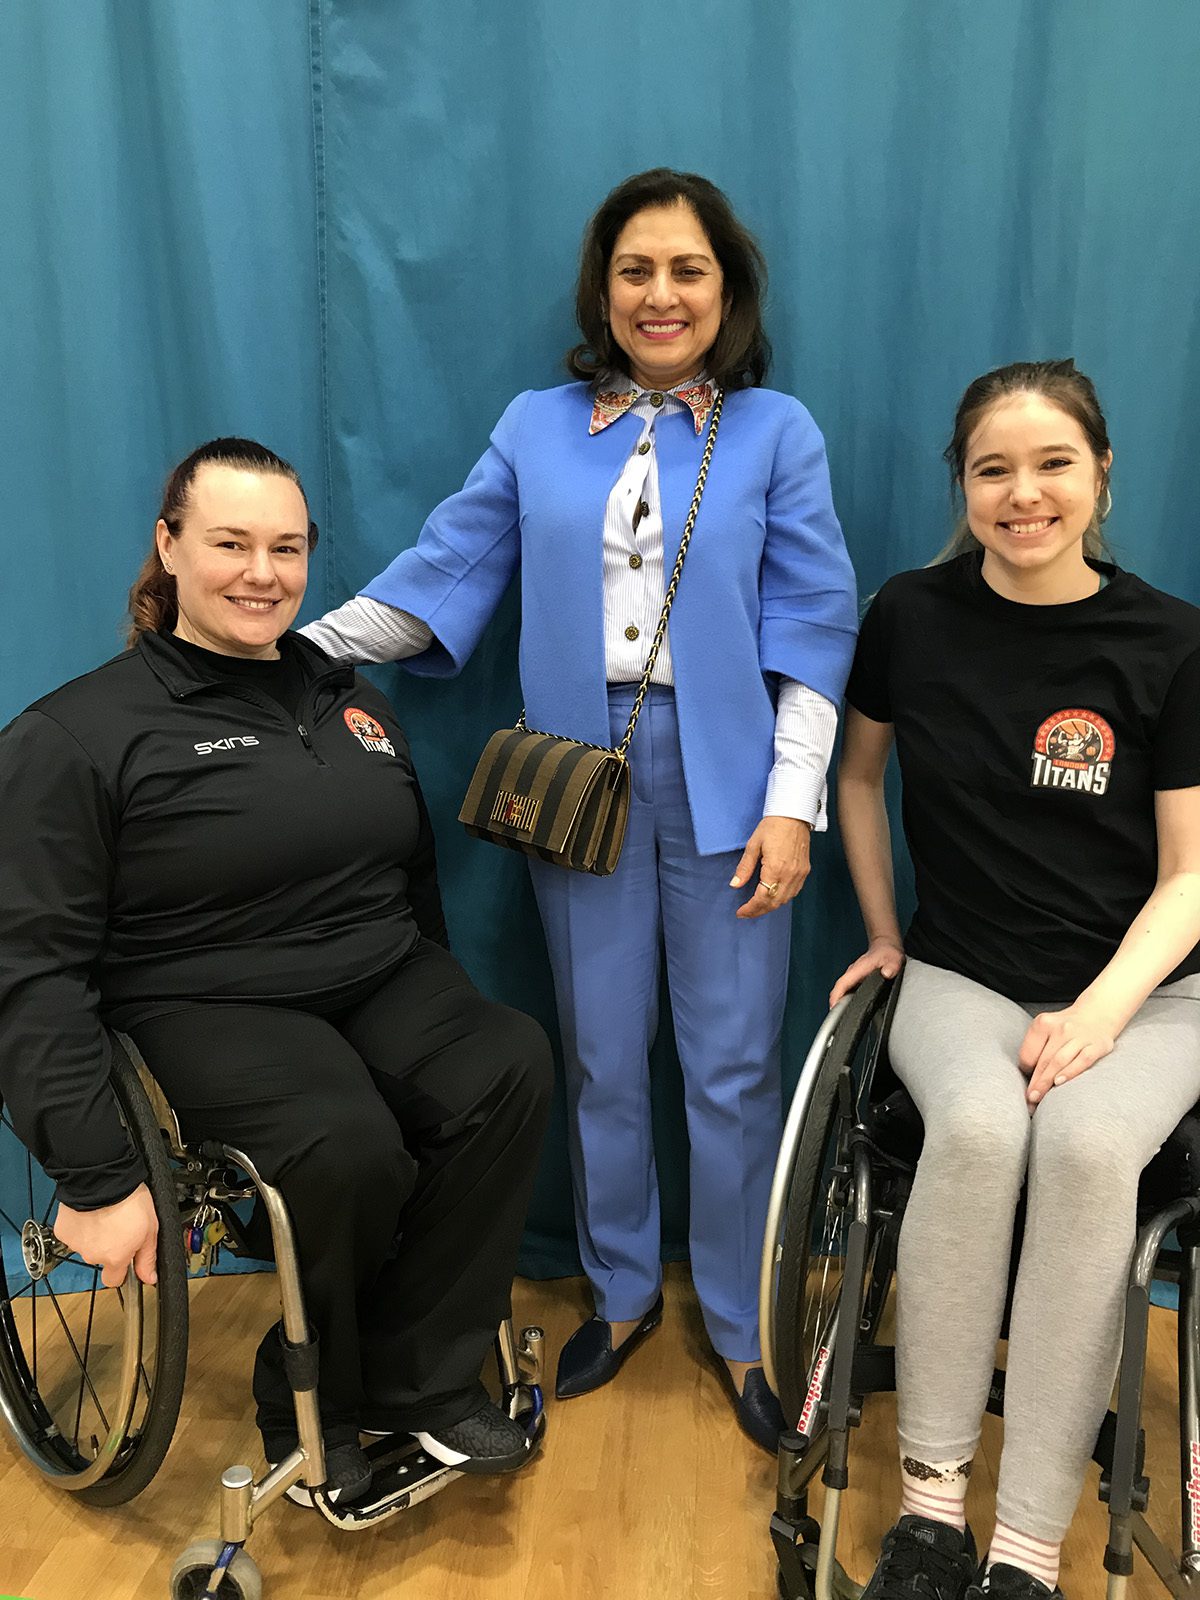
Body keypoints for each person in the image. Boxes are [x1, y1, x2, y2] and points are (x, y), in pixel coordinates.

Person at [302, 168, 858, 1449]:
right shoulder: (538, 425)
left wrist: (793, 802)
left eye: (688, 271)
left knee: (732, 1066)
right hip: (577, 778)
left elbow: (816, 623)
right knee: (603, 1054)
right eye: (635, 270)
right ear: (601, 289)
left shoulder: (777, 431)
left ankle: (738, 1323)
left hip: (734, 779)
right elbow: (444, 569)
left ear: (728, 291)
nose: (660, 295)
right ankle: (615, 1293)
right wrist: (288, 653)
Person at [0, 438, 554, 1504]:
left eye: (286, 548)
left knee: (508, 1063)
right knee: (344, 1146)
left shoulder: (345, 701)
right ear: (168, 549)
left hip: (380, 968)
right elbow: (29, 964)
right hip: (204, 992)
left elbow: (410, 883)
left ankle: (422, 1378)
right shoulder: (77, 734)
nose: (262, 572)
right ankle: (311, 1398)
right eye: (231, 543)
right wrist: (97, 1173)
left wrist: (435, 988)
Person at [831, 360, 1200, 1600]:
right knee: (981, 1133)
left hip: (1150, 990)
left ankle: (1028, 1546)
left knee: (1092, 1152)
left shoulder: (1172, 640)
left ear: (1101, 474)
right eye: (994, 468)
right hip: (966, 969)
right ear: (965, 485)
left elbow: (1194, 875)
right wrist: (884, 931)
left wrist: (1098, 1014)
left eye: (1053, 464)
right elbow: (859, 779)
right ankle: (932, 1505)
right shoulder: (911, 616)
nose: (1023, 492)